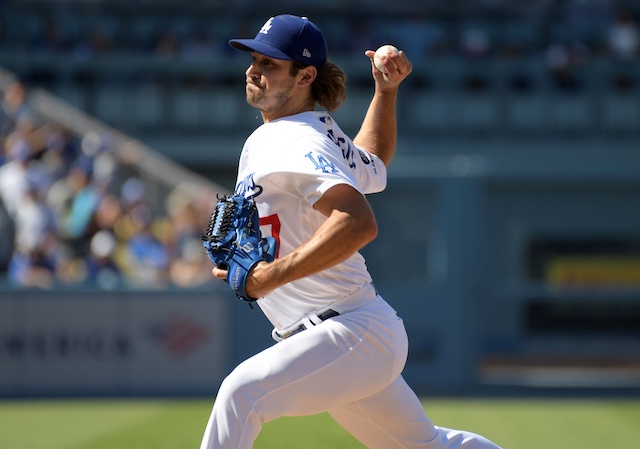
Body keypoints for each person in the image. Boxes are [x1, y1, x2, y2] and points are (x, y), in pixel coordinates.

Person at [199, 14, 502, 449]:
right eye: (254, 59)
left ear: (305, 75)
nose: (253, 69)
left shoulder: (293, 140)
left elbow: (358, 221)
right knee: (428, 446)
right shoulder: (310, 132)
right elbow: (373, 165)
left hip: (348, 330)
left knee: (240, 394)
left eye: (269, 63)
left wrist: (269, 276)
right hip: (346, 335)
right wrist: (386, 91)